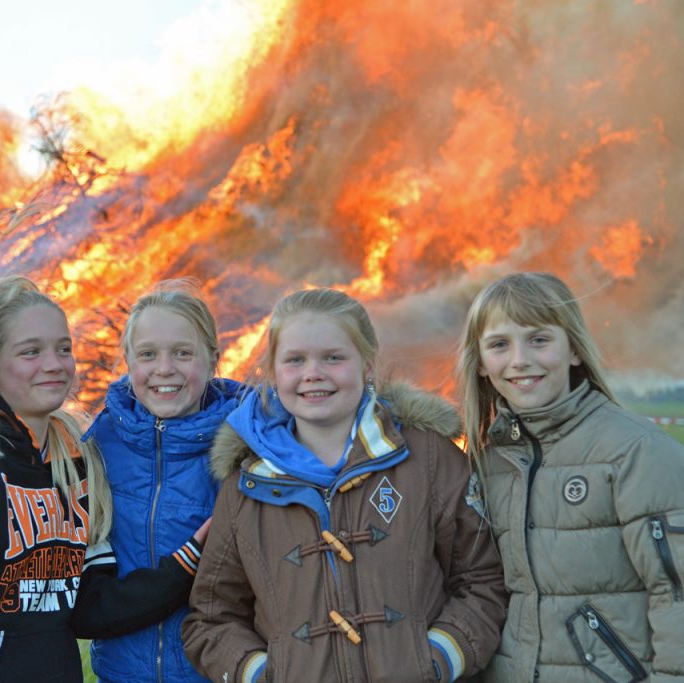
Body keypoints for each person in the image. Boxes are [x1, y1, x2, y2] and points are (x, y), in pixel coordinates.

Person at [183, 287, 507, 682]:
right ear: (273, 371)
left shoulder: (429, 460)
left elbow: (482, 582)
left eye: (333, 358)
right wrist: (262, 675)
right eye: (295, 360)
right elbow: (213, 618)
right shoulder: (246, 486)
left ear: (367, 365)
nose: (313, 373)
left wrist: (437, 661)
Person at [0, 277, 208, 682]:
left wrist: (185, 563)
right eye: (30, 352)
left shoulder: (78, 460)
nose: (54, 364)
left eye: (63, 349)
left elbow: (92, 606)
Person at [458, 271, 684, 682]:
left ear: (574, 350)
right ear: (480, 362)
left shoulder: (639, 452)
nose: (519, 360)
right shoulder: (483, 462)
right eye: (500, 344)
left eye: (539, 339)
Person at [85, 281, 243, 682]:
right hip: (119, 674)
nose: (164, 369)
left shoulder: (247, 447)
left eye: (183, 353)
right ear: (128, 361)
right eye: (148, 354)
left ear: (213, 359)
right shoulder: (96, 446)